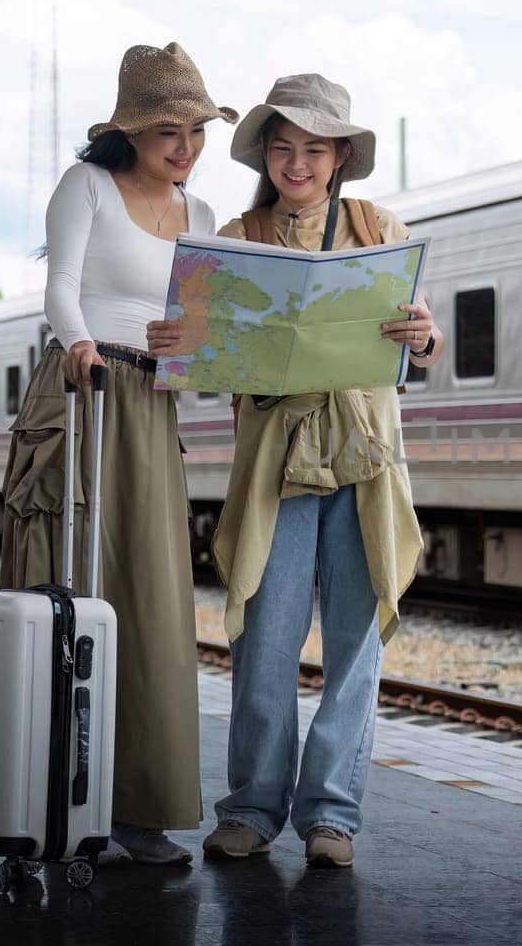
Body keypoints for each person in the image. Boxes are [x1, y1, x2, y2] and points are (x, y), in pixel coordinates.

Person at [147, 73, 442, 868]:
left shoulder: (379, 224)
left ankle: (332, 816)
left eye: (314, 148)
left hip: (365, 454)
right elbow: (208, 364)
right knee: (264, 637)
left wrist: (424, 333)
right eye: (283, 148)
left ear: (341, 154)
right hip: (274, 457)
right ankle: (250, 808)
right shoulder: (236, 237)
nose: (297, 163)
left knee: (354, 643)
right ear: (267, 156)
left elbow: (416, 342)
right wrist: (180, 344)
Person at [0, 42, 236, 865]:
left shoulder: (201, 216)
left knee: (152, 598)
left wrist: (193, 345)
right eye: (169, 130)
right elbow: (60, 285)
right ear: (131, 131)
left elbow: (196, 324)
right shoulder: (87, 188)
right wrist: (81, 343)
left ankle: (138, 807)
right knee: (69, 582)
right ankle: (46, 798)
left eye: (196, 131)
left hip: (153, 404)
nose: (185, 147)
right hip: (84, 391)